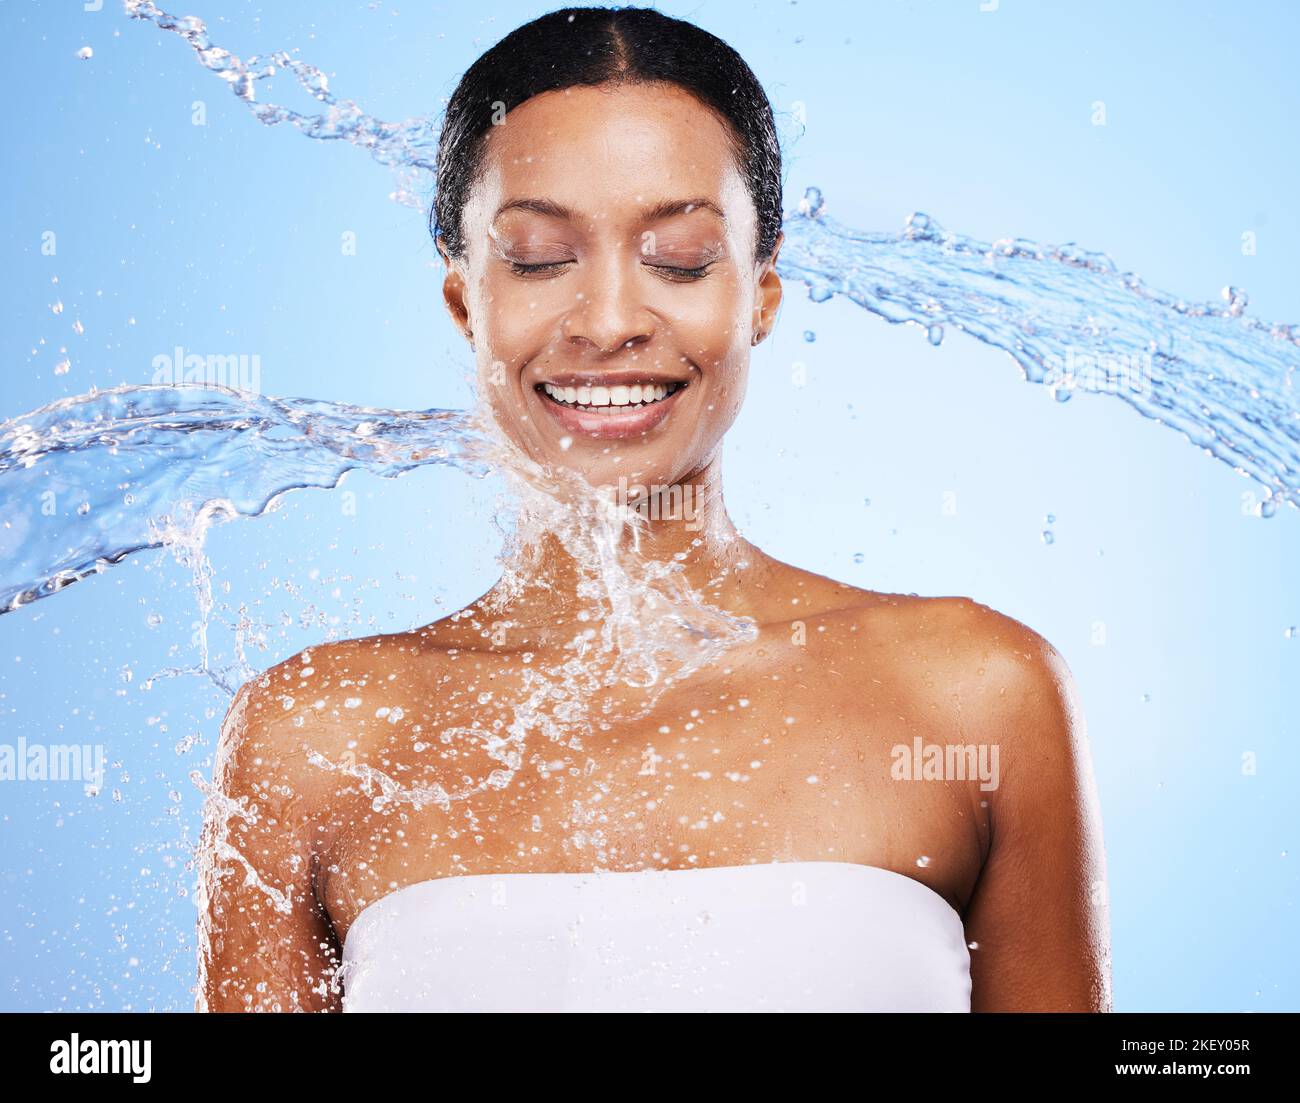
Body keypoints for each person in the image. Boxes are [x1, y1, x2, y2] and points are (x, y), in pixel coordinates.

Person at [196, 5, 1111, 1013]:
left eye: (678, 256)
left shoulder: (975, 692)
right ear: (464, 299)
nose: (611, 322)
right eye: (540, 258)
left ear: (760, 292)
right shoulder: (315, 737)